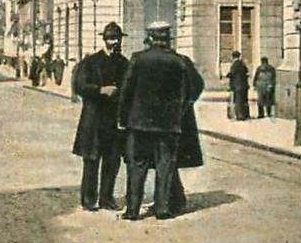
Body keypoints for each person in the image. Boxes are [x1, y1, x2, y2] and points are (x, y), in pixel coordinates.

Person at [117, 21, 203, 221]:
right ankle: (163, 209)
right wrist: (180, 109)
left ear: (150, 38)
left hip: (139, 124)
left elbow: (126, 91)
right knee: (165, 166)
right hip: (169, 125)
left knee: (137, 166)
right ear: (168, 39)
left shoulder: (138, 59)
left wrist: (123, 119)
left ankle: (132, 210)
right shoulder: (181, 61)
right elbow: (197, 86)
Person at [71, 23, 130, 212]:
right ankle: (89, 199)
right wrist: (100, 90)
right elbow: (79, 86)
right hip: (94, 119)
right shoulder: (91, 62)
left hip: (114, 120)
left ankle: (107, 198)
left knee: (112, 161)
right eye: (111, 39)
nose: (115, 42)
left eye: (117, 39)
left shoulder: (124, 62)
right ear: (104, 40)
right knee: (91, 160)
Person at [226, 51, 250, 120]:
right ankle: (245, 114)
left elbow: (232, 73)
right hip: (244, 85)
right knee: (243, 100)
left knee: (238, 101)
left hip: (237, 85)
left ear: (232, 57)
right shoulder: (242, 64)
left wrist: (228, 75)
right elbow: (246, 71)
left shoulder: (236, 64)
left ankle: (240, 115)